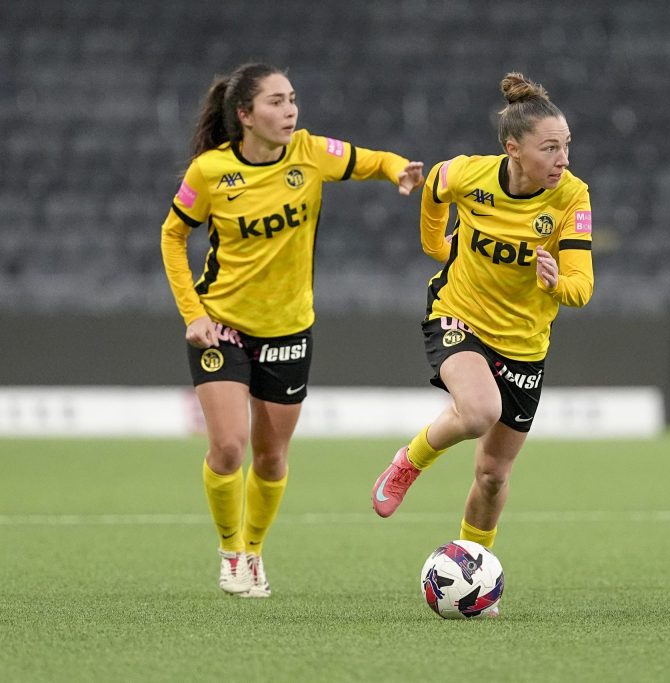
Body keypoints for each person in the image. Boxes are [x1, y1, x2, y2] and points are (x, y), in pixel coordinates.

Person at [160, 63, 424, 598]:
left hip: (289, 330)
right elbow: (172, 236)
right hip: (223, 327)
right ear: (245, 115)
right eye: (276, 102)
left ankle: (255, 550)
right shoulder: (210, 172)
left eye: (292, 99)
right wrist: (193, 314)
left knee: (271, 456)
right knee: (228, 448)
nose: (290, 111)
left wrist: (399, 170)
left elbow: (373, 160)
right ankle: (231, 552)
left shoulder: (311, 153)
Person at [370, 73, 594, 557]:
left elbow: (582, 287)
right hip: (459, 315)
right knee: (479, 411)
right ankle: (410, 461)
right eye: (550, 148)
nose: (563, 159)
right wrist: (436, 246)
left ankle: (473, 565)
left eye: (566, 146)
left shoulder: (572, 196)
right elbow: (435, 186)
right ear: (513, 149)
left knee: (492, 476)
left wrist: (557, 283)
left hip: (525, 344)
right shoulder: (469, 174)